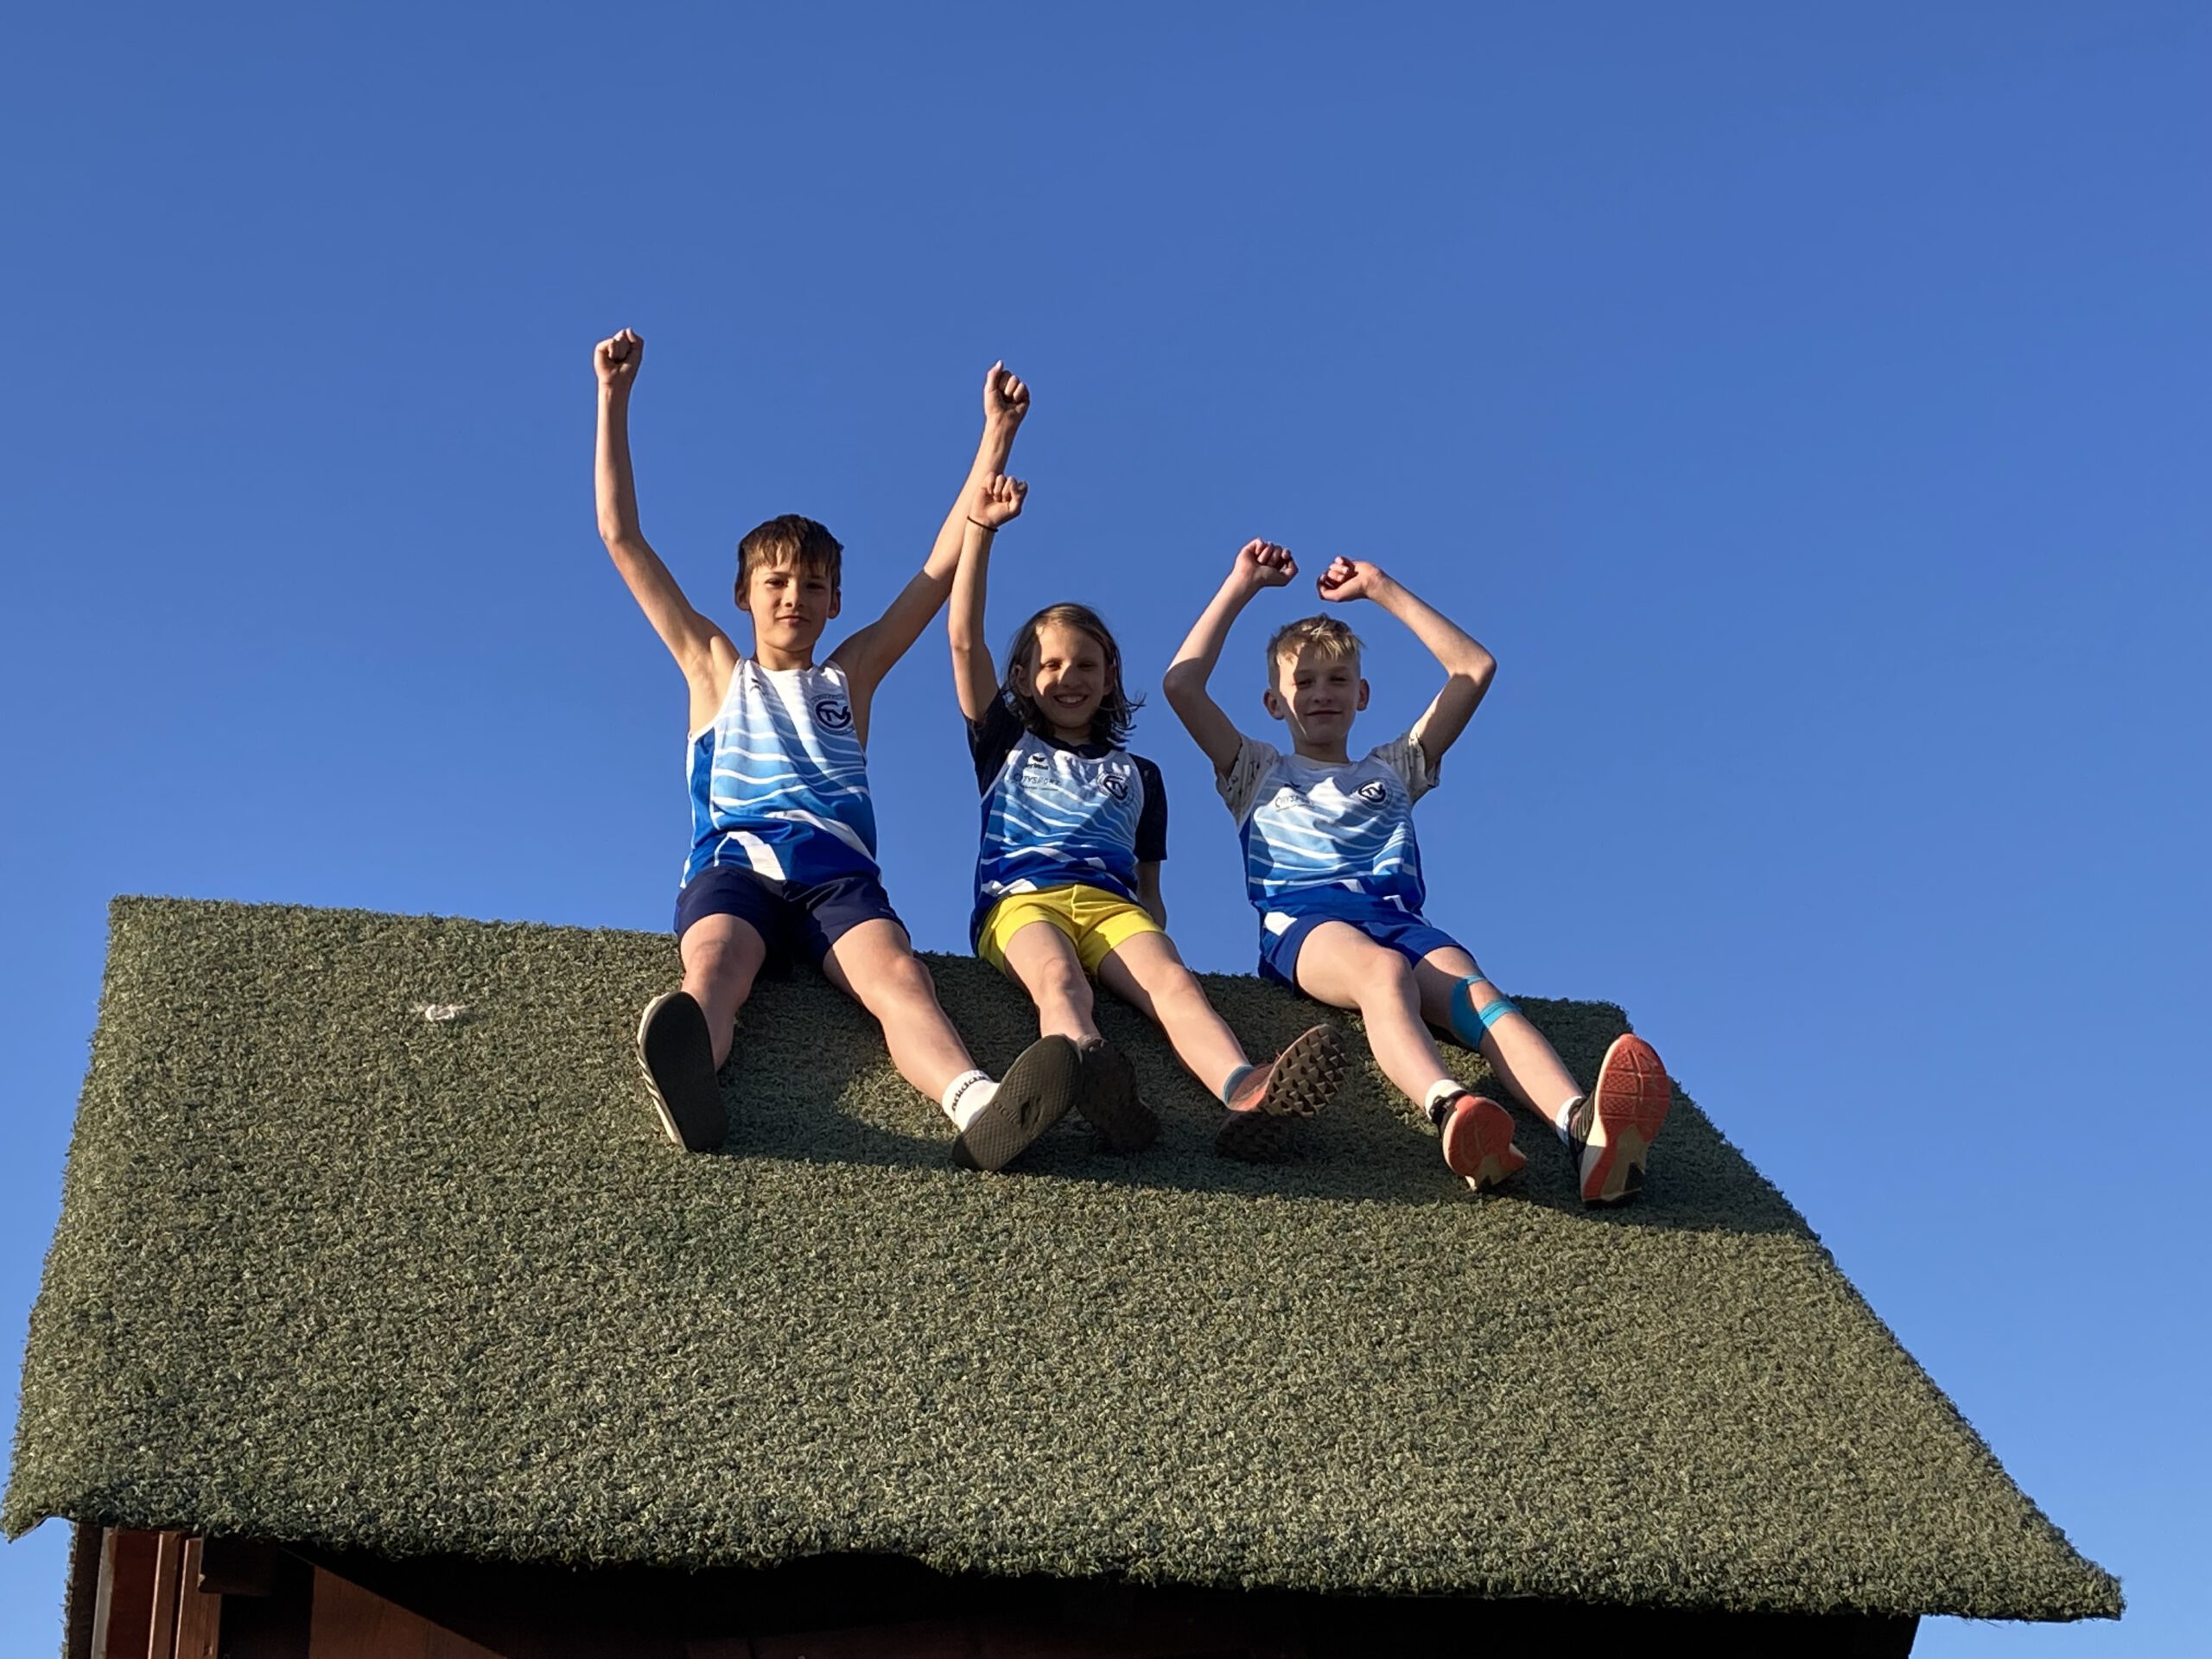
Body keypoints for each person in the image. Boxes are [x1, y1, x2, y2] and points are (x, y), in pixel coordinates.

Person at [593, 327, 1077, 1171]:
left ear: (834, 599)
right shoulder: (712, 667)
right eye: (776, 582)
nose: (794, 597)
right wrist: (614, 398)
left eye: (812, 585)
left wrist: (996, 439)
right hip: (734, 865)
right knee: (715, 966)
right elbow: (621, 537)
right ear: (743, 594)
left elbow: (933, 573)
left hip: (837, 876)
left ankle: (978, 1102)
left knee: (898, 980)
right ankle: (688, 1077)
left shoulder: (850, 674)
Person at [1161, 539, 1672, 1204]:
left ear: (1363, 694)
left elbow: (1474, 669)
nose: (1321, 693)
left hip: (1402, 921)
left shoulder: (1394, 768)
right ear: (1273, 702)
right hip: (1308, 925)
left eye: (1337, 680)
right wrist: (1241, 584)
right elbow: (1181, 684)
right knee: (1382, 973)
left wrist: (1379, 586)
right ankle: (1452, 1108)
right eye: (1303, 681)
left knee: (1483, 999)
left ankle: (1585, 1130)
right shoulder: (1256, 771)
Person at [947, 480, 1344, 1160]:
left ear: (1109, 678)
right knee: (1057, 979)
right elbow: (962, 641)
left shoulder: (1140, 775)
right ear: (1021, 675)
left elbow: (1148, 887)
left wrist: (1144, 945)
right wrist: (980, 532)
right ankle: (1088, 1066)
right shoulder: (1005, 742)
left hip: (1113, 908)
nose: (1068, 677)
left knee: (1172, 982)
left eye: (1087, 665)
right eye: (1050, 664)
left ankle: (1243, 1087)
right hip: (1021, 902)